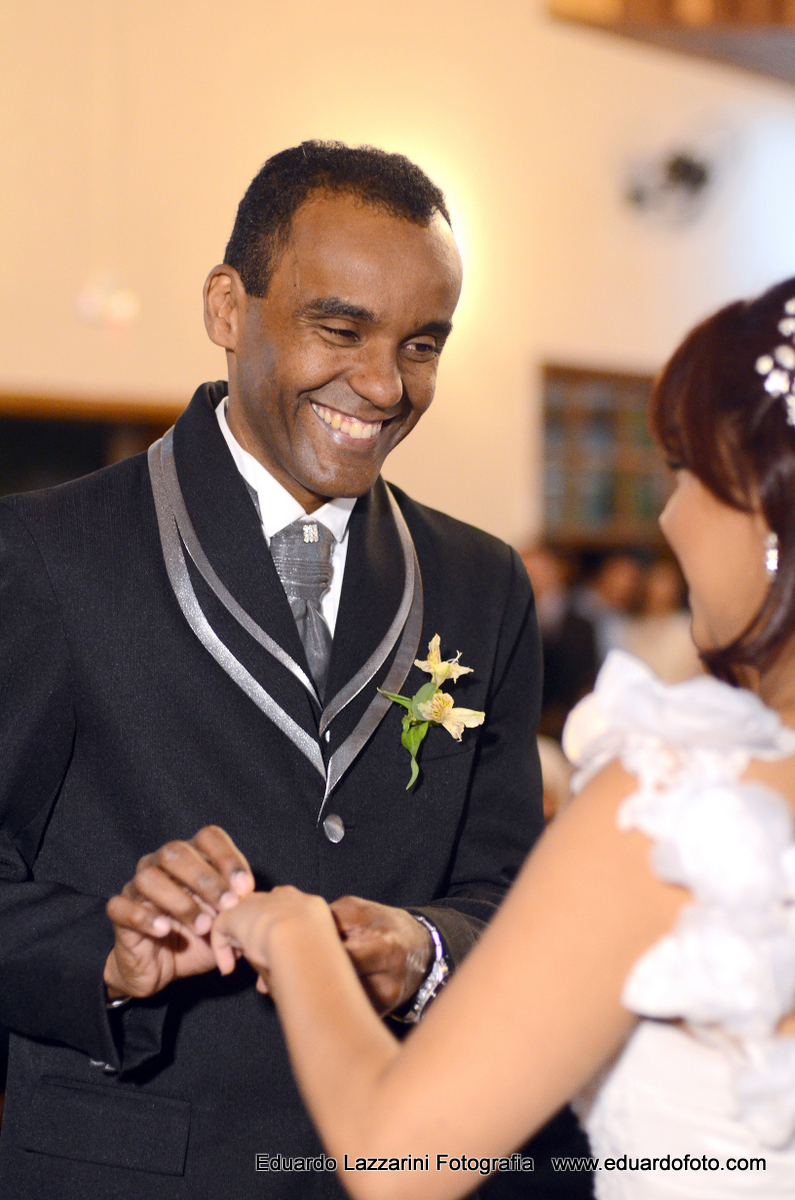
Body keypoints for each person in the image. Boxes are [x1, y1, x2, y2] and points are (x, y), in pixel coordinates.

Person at [0, 142, 546, 1199]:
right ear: (227, 307)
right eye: (339, 329)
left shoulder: (483, 583)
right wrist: (104, 953)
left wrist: (427, 948)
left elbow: (512, 892)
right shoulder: (47, 559)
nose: (385, 387)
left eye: (422, 344)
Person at [197, 276, 795, 1198]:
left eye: (683, 473)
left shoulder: (682, 812)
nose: (667, 517)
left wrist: (289, 929)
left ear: (766, 512)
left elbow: (398, 1161)